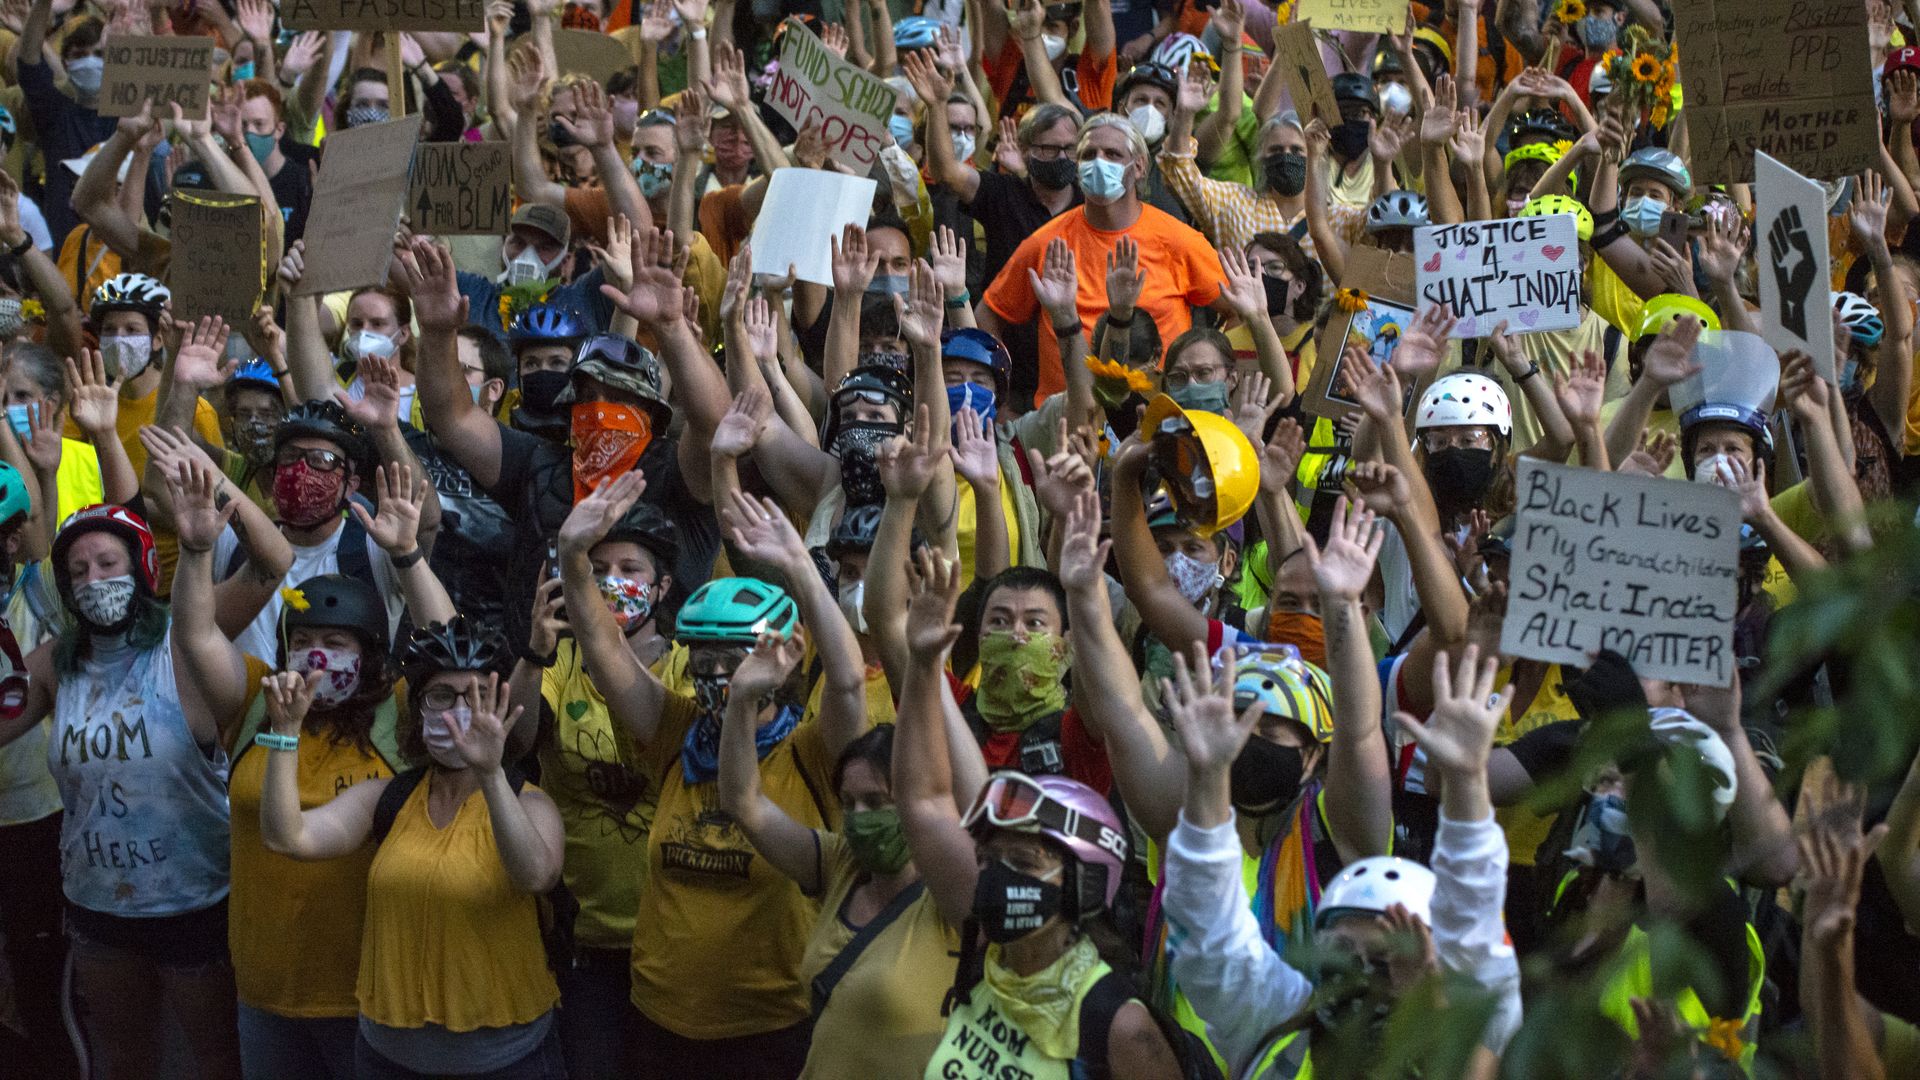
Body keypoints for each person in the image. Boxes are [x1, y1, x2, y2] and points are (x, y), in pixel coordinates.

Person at [554, 473, 869, 1080]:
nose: (718, 676)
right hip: (658, 1019)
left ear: (782, 655)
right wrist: (572, 556)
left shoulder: (812, 752)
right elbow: (602, 648)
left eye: (736, 659)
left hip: (771, 1029)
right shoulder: (678, 735)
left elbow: (850, 682)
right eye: (704, 661)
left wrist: (802, 567)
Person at [891, 549, 1184, 1079]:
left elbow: (1115, 709)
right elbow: (925, 803)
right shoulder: (985, 960)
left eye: (1024, 863)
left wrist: (1085, 594)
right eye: (990, 858)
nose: (998, 876)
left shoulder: (1121, 1028)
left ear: (1083, 882)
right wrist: (921, 658)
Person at [258, 614, 567, 1079]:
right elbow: (288, 836)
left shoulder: (532, 804)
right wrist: (284, 733)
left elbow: (535, 875)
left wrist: (490, 772)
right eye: (442, 695)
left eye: (478, 696)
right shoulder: (387, 798)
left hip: (506, 1062)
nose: (460, 711)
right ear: (419, 709)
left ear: (501, 708)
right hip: (386, 1059)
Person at [980, 114, 1226, 407]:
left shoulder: (1179, 240)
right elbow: (988, 315)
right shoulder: (1047, 243)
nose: (1099, 162)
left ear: (1138, 167)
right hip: (1066, 420)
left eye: (1112, 154)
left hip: (1160, 415)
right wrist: (1001, 401)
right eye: (1088, 155)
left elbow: (1236, 310)